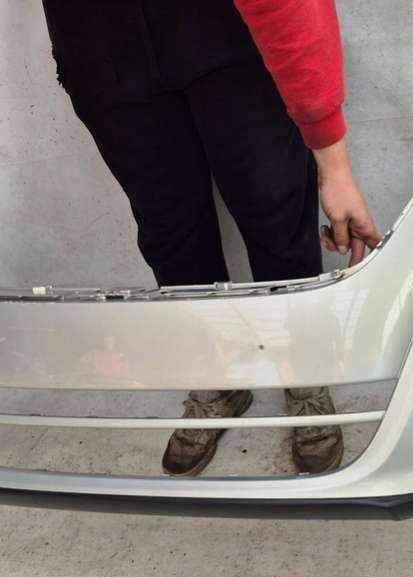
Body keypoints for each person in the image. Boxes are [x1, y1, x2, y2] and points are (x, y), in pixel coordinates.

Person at [41, 0, 381, 477]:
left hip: (222, 28)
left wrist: (333, 160)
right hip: (98, 44)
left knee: (274, 212)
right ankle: (214, 375)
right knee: (169, 230)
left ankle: (303, 370)